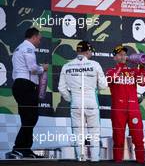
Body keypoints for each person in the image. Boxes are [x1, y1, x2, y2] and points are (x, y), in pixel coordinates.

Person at [58, 40, 107, 161]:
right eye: (91, 51)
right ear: (88, 51)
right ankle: (95, 158)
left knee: (77, 131)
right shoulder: (95, 64)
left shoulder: (67, 66)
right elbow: (103, 85)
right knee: (94, 131)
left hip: (76, 100)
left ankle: (81, 158)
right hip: (91, 99)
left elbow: (61, 88)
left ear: (77, 51)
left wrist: (71, 99)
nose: (91, 54)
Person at [11, 27, 49, 158]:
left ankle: (25, 149)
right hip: (25, 85)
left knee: (28, 118)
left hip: (20, 85)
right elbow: (33, 69)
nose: (40, 41)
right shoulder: (28, 48)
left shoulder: (18, 48)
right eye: (39, 38)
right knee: (30, 118)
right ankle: (18, 148)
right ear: (33, 37)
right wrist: (42, 68)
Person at [106, 45, 145, 163]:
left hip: (133, 108)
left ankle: (141, 161)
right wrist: (121, 66)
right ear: (114, 57)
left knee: (138, 137)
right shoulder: (111, 71)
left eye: (124, 54)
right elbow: (110, 80)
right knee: (118, 138)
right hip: (118, 109)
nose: (123, 56)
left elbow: (143, 83)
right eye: (120, 54)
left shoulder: (133, 71)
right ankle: (118, 161)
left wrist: (142, 68)